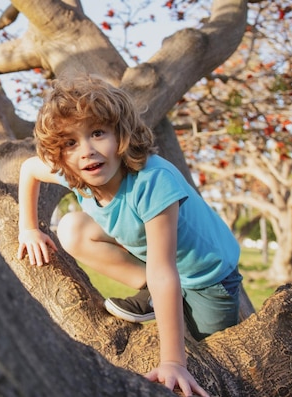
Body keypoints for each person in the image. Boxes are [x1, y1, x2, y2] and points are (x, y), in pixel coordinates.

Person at [17, 75, 242, 397]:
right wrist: (29, 228)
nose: (87, 151)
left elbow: (165, 270)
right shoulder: (79, 171)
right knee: (72, 228)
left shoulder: (152, 181)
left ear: (121, 134)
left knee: (212, 361)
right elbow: (28, 169)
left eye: (97, 133)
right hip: (154, 262)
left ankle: (173, 309)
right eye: (70, 143)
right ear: (60, 153)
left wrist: (173, 361)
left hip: (207, 278)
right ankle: (155, 296)